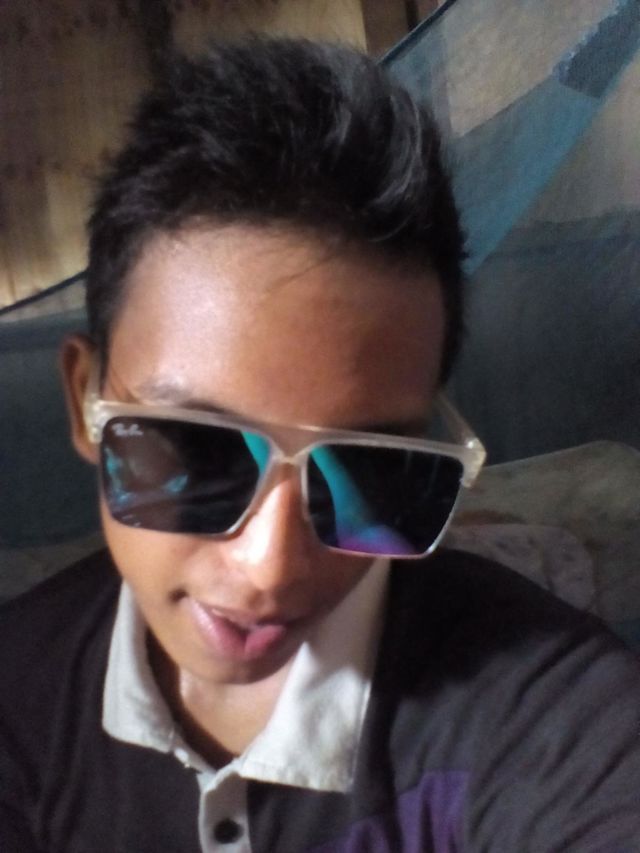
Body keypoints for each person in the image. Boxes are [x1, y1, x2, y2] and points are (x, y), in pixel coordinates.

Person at [1, 37, 639, 853]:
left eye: (371, 469)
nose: (270, 568)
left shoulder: (553, 716)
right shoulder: (17, 707)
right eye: (199, 451)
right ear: (84, 397)